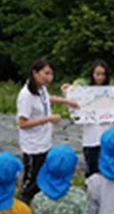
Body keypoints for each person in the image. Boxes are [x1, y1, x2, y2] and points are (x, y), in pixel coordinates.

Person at [16, 59, 79, 204]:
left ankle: (37, 206)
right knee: (30, 182)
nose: (50, 77)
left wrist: (67, 101)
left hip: (44, 142)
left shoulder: (40, 88)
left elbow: (47, 99)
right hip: (33, 146)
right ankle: (22, 208)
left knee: (41, 177)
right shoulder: (26, 95)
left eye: (51, 74)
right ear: (35, 73)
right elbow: (22, 123)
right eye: (46, 73)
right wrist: (48, 119)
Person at [62, 60, 114, 178]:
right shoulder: (84, 91)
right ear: (92, 74)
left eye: (103, 74)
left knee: (106, 169)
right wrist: (67, 94)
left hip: (106, 135)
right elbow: (74, 108)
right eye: (97, 74)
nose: (100, 77)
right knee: (92, 168)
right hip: (90, 137)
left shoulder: (110, 92)